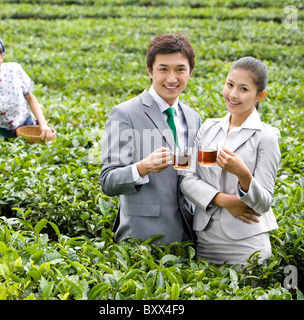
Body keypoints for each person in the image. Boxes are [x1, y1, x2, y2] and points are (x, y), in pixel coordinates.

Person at [100, 34, 201, 245]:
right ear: (149, 71)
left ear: (190, 72)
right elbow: (108, 181)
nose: (172, 78)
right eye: (163, 69)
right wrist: (142, 167)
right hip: (143, 238)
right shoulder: (125, 113)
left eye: (180, 69)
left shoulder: (193, 117)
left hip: (187, 235)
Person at [180, 57, 281, 265]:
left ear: (260, 95)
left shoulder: (266, 136)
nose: (233, 94)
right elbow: (187, 179)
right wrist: (223, 200)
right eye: (230, 85)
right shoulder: (208, 127)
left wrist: (242, 174)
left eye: (244, 89)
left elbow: (264, 201)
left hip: (246, 243)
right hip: (206, 238)